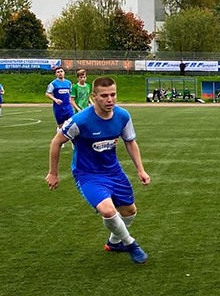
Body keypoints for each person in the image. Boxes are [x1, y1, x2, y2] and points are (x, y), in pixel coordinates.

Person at [46, 76, 149, 264]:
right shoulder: (81, 120)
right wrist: (54, 173)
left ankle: (114, 242)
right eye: (104, 96)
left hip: (113, 171)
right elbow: (56, 142)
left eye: (113, 94)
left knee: (129, 211)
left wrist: (140, 170)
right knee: (108, 211)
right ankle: (131, 244)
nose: (110, 99)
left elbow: (130, 142)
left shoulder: (123, 116)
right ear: (94, 97)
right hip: (88, 174)